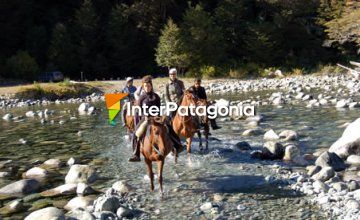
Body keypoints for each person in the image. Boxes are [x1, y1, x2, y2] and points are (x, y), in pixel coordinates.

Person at [129, 75, 183, 162]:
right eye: (145, 86)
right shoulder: (141, 97)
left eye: (149, 86)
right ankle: (136, 154)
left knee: (168, 127)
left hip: (156, 118)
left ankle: (178, 145)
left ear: (151, 86)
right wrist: (145, 116)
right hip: (146, 119)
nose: (147, 88)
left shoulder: (156, 96)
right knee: (135, 134)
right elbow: (139, 109)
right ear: (143, 86)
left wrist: (158, 117)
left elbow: (158, 109)